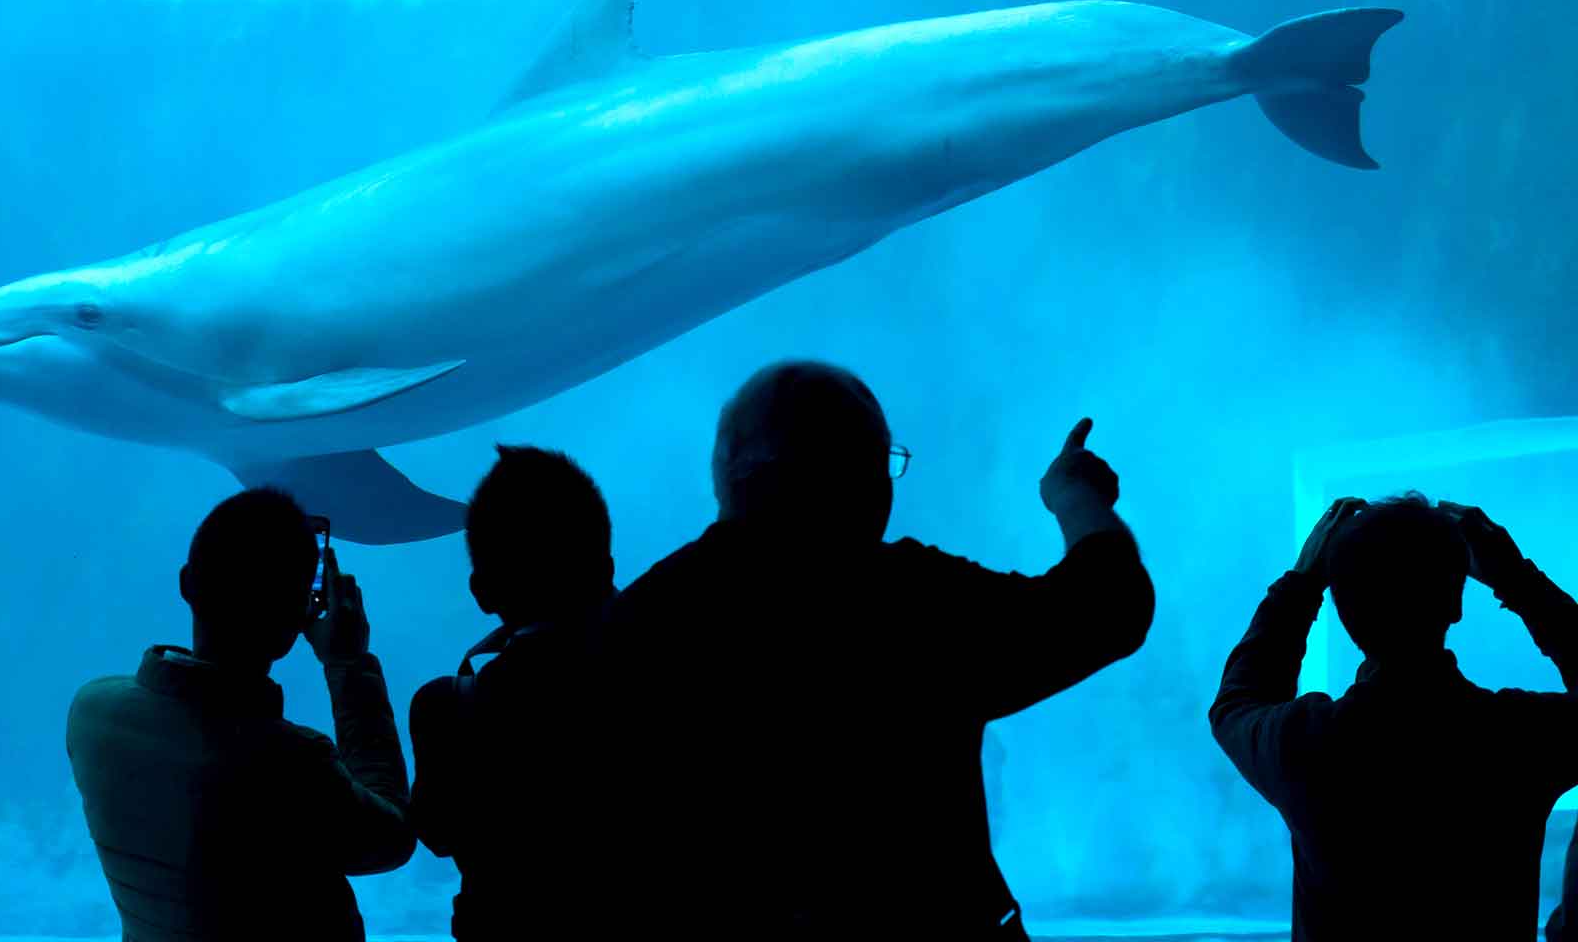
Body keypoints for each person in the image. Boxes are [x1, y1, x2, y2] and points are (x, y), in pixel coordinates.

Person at [601, 360, 1156, 939]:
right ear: (859, 479)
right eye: (882, 463)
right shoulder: (915, 604)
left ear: (727, 475)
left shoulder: (638, 622)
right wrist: (1076, 497)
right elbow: (1111, 606)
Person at [1210, 495, 1578, 941]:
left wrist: (1301, 584)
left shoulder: (1305, 743)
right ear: (1456, 604)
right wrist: (1517, 579)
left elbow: (1237, 702)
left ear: (1344, 614)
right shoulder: (1520, 736)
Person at [65, 487, 415, 941]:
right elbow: (390, 838)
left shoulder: (92, 712)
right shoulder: (291, 761)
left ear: (187, 583)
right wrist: (349, 666)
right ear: (300, 617)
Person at [408, 445, 618, 941]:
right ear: (607, 568)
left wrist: (350, 666)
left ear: (480, 591)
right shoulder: (687, 683)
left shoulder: (445, 710)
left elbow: (434, 833)